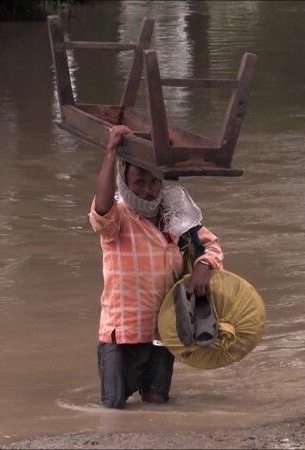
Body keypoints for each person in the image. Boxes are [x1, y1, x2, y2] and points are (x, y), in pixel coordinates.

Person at [88, 125, 224, 409]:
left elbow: (211, 246)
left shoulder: (175, 217)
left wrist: (203, 265)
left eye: (154, 182)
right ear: (124, 181)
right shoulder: (118, 219)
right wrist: (111, 151)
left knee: (156, 404)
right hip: (121, 334)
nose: (148, 191)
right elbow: (100, 211)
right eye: (139, 182)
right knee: (112, 408)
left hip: (164, 332)